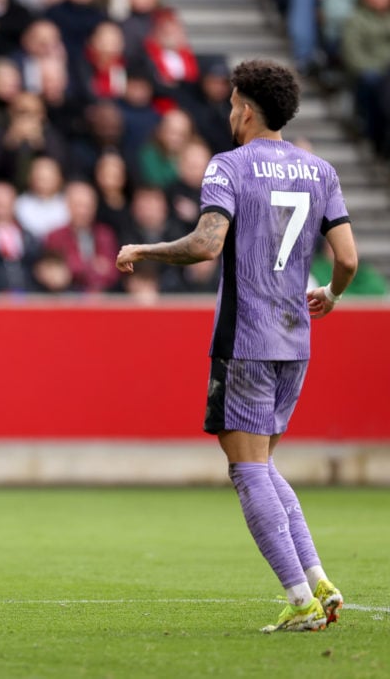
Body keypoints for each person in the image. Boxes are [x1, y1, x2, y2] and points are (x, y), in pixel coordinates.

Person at [116, 59, 358, 633]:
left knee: (247, 470)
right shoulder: (320, 170)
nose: (229, 113)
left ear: (246, 109)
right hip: (295, 338)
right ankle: (317, 580)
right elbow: (347, 259)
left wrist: (145, 250)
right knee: (262, 464)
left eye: (231, 104)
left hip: (245, 336)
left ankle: (300, 600)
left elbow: (206, 243)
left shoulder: (228, 166)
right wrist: (332, 293)